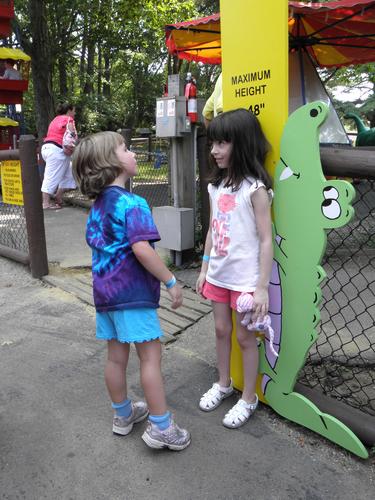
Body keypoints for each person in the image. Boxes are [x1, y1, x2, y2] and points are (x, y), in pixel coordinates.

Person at [72, 131, 191, 451]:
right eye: (125, 148)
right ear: (111, 162)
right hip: (133, 295)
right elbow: (142, 249)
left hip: (105, 296)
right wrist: (170, 280)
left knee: (116, 358)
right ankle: (162, 427)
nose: (134, 153)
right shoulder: (133, 203)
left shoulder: (97, 207)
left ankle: (123, 415)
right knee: (151, 358)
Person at [196, 108, 273, 428]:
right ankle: (224, 383)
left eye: (223, 143)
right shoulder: (216, 187)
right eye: (213, 143)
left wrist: (262, 288)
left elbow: (266, 240)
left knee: (245, 338)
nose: (214, 150)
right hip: (218, 275)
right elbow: (213, 230)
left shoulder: (256, 189)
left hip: (245, 281)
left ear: (242, 143)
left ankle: (248, 398)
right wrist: (203, 268)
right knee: (220, 331)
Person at [41, 103, 77, 209]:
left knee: (69, 172)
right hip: (57, 151)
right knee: (51, 176)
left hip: (48, 148)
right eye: (74, 110)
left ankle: (58, 197)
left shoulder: (54, 120)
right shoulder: (69, 119)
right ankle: (45, 203)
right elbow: (72, 135)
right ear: (69, 111)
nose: (75, 113)